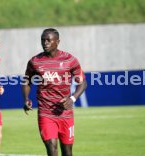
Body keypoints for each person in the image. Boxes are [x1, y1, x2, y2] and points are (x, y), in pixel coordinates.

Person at [22, 28, 87, 156]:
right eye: (43, 40)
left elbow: (83, 83)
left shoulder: (69, 60)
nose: (45, 43)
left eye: (48, 40)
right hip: (46, 113)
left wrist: (72, 99)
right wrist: (26, 99)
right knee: (52, 151)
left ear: (57, 42)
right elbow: (27, 81)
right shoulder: (35, 61)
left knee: (67, 152)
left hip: (65, 113)